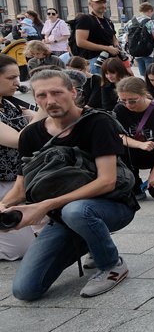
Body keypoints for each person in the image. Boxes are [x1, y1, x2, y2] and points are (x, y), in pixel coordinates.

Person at [5, 70, 139, 301]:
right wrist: (4, 206)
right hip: (63, 215)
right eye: (42, 95)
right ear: (35, 98)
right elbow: (20, 187)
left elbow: (107, 181)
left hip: (111, 207)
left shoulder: (98, 122)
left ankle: (111, 265)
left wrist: (45, 205)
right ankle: (88, 240)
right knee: (25, 290)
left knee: (76, 211)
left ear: (73, 92)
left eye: (57, 92)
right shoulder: (30, 135)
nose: (50, 101)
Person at [0, 55, 40, 259]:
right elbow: (20, 140)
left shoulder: (10, 104)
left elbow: (44, 124)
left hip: (18, 180)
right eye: (11, 77)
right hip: (4, 184)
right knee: (20, 250)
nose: (17, 82)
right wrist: (44, 107)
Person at [113, 77, 154, 200]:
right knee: (117, 146)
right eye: (123, 100)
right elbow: (118, 135)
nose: (128, 105)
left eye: (132, 101)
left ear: (143, 94)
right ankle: (134, 184)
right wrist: (139, 144)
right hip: (135, 153)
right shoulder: (119, 109)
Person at [74, 0, 121, 73]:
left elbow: (113, 38)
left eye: (104, 2)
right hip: (95, 61)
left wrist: (116, 45)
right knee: (99, 84)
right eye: (99, 2)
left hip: (111, 61)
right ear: (90, 4)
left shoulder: (108, 21)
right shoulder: (85, 19)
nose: (102, 5)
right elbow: (80, 42)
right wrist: (106, 48)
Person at [127, 2, 154, 75]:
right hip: (148, 52)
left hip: (136, 52)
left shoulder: (131, 22)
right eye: (153, 12)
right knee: (151, 73)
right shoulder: (150, 22)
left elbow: (127, 38)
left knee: (143, 74)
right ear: (150, 10)